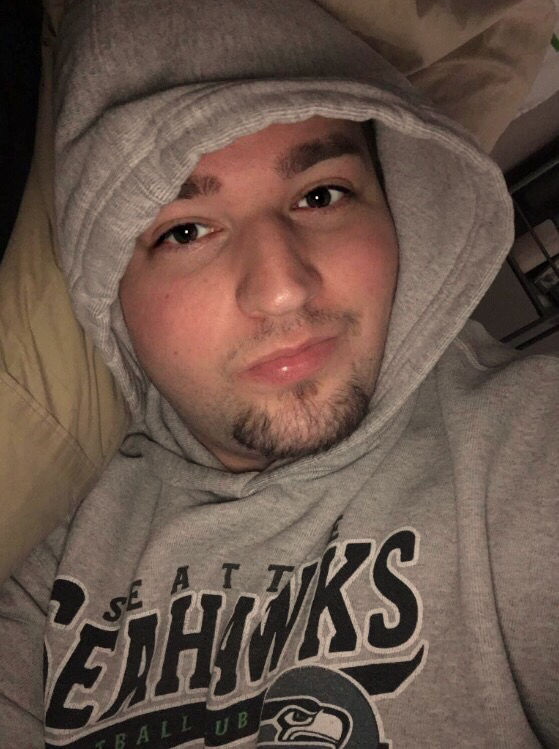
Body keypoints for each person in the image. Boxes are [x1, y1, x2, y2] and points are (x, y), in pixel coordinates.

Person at [0, 0, 557, 746]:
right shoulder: (45, 560)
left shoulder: (527, 445)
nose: (282, 289)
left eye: (320, 195)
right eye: (185, 232)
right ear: (107, 287)